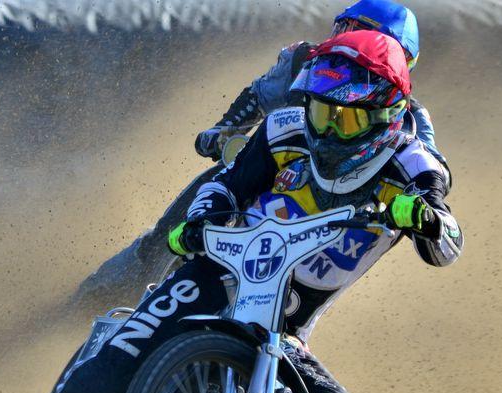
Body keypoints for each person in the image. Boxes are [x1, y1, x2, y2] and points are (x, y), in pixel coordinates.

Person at [0, 30, 463, 393]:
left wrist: (424, 218)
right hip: (214, 278)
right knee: (117, 361)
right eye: (321, 112)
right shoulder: (286, 128)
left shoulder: (416, 165)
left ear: (387, 115)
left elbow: (447, 243)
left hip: (282, 330)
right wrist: (202, 219)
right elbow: (226, 186)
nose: (328, 130)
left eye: (346, 120)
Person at [73, 0, 448, 310]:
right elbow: (258, 95)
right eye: (347, 29)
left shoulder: (412, 117)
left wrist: (417, 208)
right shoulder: (304, 60)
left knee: (296, 302)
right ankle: (93, 300)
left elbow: (431, 171)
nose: (350, 42)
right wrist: (224, 130)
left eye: (365, 35)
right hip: (263, 174)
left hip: (334, 215)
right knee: (175, 229)